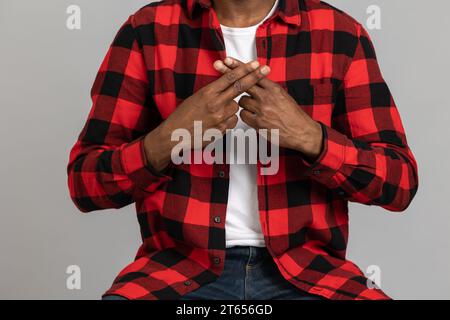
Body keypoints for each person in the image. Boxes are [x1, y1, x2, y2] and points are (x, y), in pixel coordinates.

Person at [67, 0, 418, 300]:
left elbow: (399, 183)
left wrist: (311, 137)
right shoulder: (147, 31)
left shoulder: (341, 35)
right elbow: (86, 184)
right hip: (175, 271)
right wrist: (170, 137)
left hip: (310, 272)